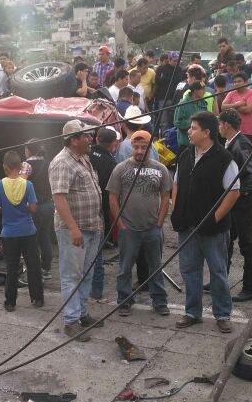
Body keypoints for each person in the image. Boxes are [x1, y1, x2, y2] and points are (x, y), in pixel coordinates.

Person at [171, 111, 239, 333]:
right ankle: (192, 312)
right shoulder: (186, 155)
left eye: (193, 128)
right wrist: (176, 208)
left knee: (218, 271)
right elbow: (176, 183)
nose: (189, 132)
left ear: (207, 132)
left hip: (213, 229)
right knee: (190, 270)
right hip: (187, 225)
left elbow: (233, 193)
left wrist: (214, 219)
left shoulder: (224, 159)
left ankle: (222, 314)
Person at [50, 120, 106, 342]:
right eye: (86, 136)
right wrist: (73, 228)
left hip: (92, 227)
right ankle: (71, 321)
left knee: (86, 273)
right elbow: (59, 198)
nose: (90, 139)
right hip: (74, 230)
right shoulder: (62, 163)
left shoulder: (83, 158)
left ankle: (82, 314)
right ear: (73, 140)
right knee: (72, 275)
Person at [107, 129, 172, 316]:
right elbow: (113, 198)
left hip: (152, 228)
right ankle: (125, 301)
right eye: (136, 147)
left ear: (150, 148)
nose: (139, 151)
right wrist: (121, 226)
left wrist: (159, 223)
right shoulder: (120, 169)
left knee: (156, 267)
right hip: (129, 229)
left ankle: (159, 301)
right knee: (125, 268)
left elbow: (166, 196)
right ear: (131, 147)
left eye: (144, 147)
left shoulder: (161, 169)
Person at [0, 151, 44, 312]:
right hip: (28, 231)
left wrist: (5, 210)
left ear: (4, 167)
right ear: (21, 166)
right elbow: (34, 208)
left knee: (11, 267)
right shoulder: (27, 185)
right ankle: (37, 298)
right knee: (33, 265)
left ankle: (10, 302)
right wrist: (25, 208)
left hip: (9, 233)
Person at [220, 109, 252, 302]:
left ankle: (250, 287)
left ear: (226, 125)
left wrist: (240, 194)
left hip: (243, 205)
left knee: (246, 245)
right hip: (236, 203)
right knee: (227, 242)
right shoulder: (232, 142)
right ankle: (220, 281)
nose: (219, 128)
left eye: (220, 124)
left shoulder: (241, 143)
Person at [88, 126, 119, 305]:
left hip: (81, 211)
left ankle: (82, 288)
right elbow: (112, 192)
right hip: (100, 211)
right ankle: (96, 292)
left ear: (97, 139)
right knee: (96, 254)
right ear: (112, 144)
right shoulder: (111, 163)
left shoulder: (84, 155)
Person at [22, 138, 55, 280]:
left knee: (31, 239)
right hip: (49, 205)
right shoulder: (50, 164)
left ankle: (34, 271)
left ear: (28, 150)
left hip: (33, 207)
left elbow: (20, 185)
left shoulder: (26, 165)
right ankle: (46, 269)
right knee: (45, 236)